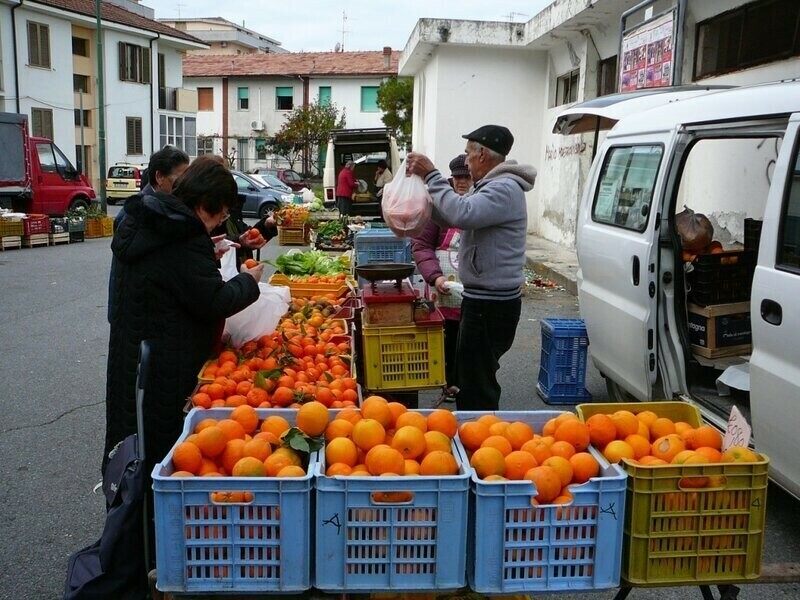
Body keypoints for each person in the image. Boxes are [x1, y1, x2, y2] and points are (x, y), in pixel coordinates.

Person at [104, 158, 263, 479]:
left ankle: (132, 513)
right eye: (221, 214)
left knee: (131, 449)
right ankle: (146, 522)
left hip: (132, 358)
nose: (221, 222)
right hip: (163, 367)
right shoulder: (182, 236)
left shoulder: (151, 222)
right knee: (160, 457)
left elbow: (169, 275)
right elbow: (214, 300)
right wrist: (250, 282)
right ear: (204, 204)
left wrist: (206, 249)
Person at [406, 125, 536, 411]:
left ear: (483, 155)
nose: (465, 161)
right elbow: (453, 215)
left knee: (478, 381)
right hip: (480, 300)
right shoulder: (490, 186)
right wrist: (423, 205)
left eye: (468, 154)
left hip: (492, 305)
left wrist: (431, 174)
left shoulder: (504, 189)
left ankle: (481, 441)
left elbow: (462, 213)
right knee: (469, 375)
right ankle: (474, 434)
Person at [411, 154, 472, 391]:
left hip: (470, 291)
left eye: (466, 177)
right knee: (445, 337)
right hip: (443, 289)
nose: (462, 182)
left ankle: (464, 381)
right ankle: (448, 381)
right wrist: (435, 276)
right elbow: (422, 245)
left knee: (467, 340)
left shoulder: (481, 204)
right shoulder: (440, 205)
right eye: (458, 177)